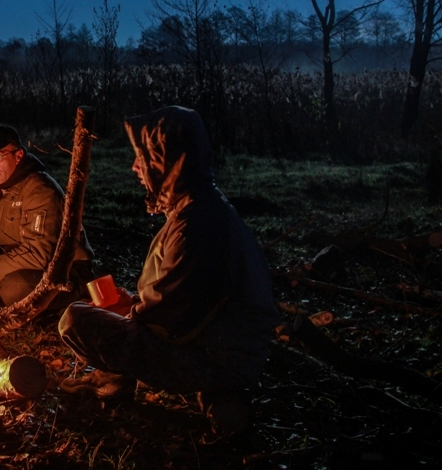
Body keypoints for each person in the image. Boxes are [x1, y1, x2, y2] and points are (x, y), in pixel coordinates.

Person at [58, 106, 279, 443]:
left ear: (164, 161)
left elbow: (171, 320)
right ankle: (212, 395)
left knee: (74, 319)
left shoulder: (195, 224)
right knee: (105, 314)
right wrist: (130, 304)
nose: (134, 167)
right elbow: (182, 301)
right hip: (227, 350)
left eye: (141, 158)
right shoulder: (199, 207)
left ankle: (200, 387)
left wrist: (125, 313)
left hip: (217, 358)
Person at [0, 124, 94, 320]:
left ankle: (67, 303)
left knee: (13, 288)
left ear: (19, 156)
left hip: (65, 272)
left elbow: (39, 253)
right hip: (18, 264)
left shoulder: (40, 190)